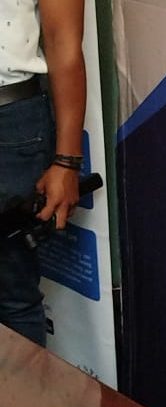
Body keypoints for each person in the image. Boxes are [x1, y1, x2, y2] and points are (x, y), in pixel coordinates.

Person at [0, 0, 86, 346]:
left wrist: (67, 162)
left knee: (12, 292)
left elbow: (63, 40)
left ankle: (23, 385)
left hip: (9, 124)